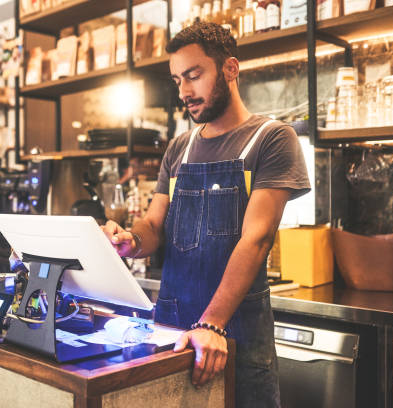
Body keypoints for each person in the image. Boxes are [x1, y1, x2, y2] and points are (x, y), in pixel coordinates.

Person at [102, 22, 310, 408]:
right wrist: (129, 242)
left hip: (236, 334)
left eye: (194, 76)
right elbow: (153, 226)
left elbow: (256, 238)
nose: (184, 91)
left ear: (230, 69)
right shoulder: (179, 148)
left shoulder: (272, 139)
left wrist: (212, 323)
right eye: (177, 79)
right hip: (173, 329)